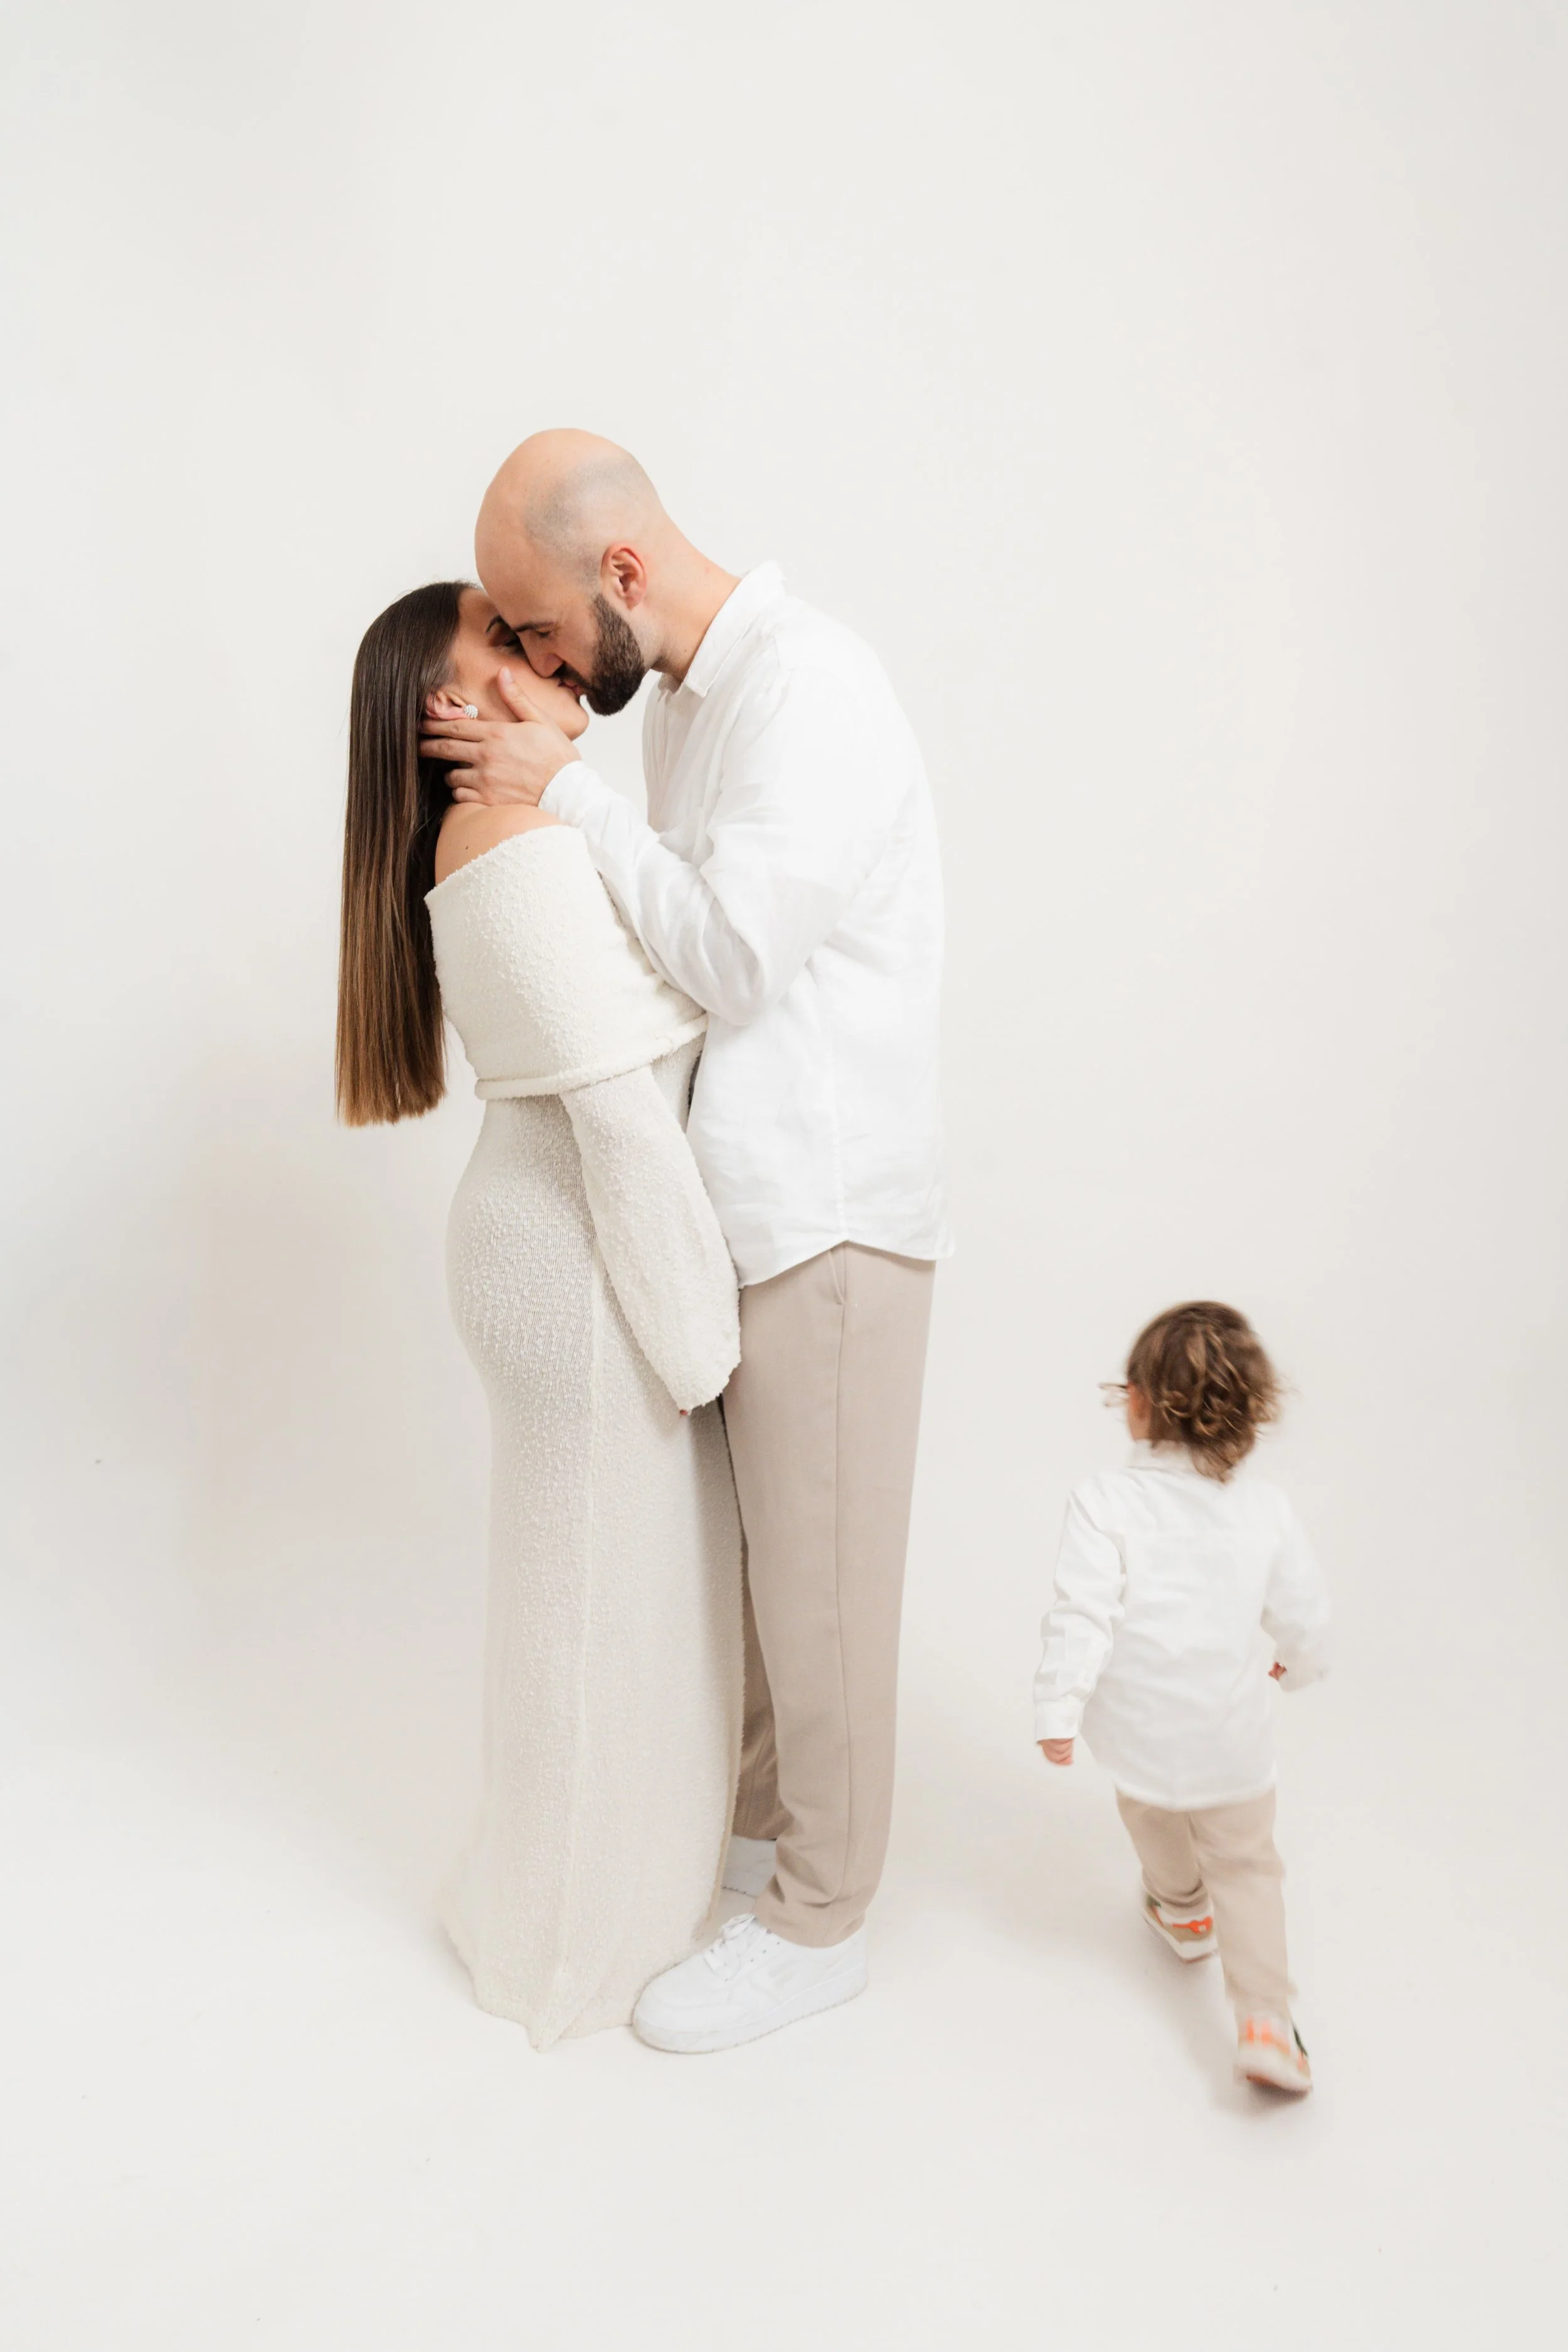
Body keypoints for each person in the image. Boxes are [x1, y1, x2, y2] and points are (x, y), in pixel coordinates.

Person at [421, 430, 951, 2052]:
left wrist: (564, 793)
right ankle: (754, 1850)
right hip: (751, 1205)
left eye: (534, 630)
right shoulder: (705, 711)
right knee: (764, 1580)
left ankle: (818, 1919)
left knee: (825, 1593)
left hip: (831, 1208)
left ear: (621, 578)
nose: (531, 666)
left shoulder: (811, 690)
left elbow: (722, 955)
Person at [337, 580, 743, 2050]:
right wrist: (708, 1347)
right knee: (586, 1611)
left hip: (568, 1241)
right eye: (498, 650)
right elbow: (618, 1119)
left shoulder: (530, 821)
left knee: (596, 1602)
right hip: (573, 1257)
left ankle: (568, 1902)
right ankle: (553, 1954)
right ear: (446, 713)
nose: (540, 656)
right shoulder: (503, 839)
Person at [1034, 1302, 1330, 2095]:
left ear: (1135, 1402)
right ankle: (1266, 2022)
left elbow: (1080, 1614)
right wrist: (1297, 1670)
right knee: (1248, 1867)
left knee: (1152, 1814)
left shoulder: (1102, 1501)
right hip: (1231, 1743)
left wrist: (1057, 1710)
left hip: (1135, 1737)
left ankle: (1182, 1909)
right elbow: (1302, 1615)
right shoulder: (1264, 1509)